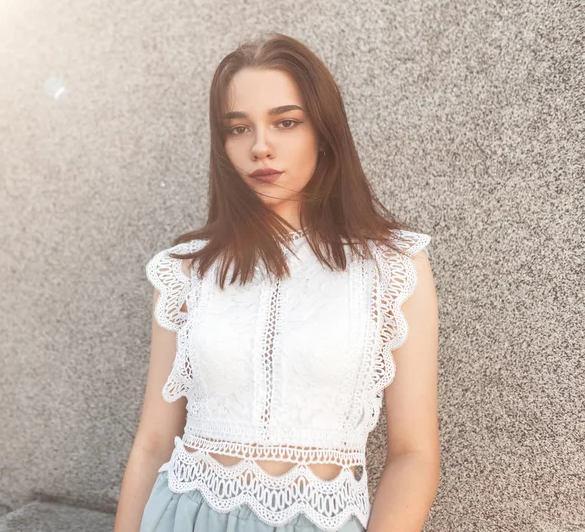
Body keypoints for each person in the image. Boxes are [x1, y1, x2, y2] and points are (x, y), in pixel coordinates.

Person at [114, 32, 440, 532]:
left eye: (285, 122)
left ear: (324, 132)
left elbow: (414, 453)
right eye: (238, 128)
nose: (260, 147)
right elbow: (153, 442)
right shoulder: (186, 270)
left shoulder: (392, 267)